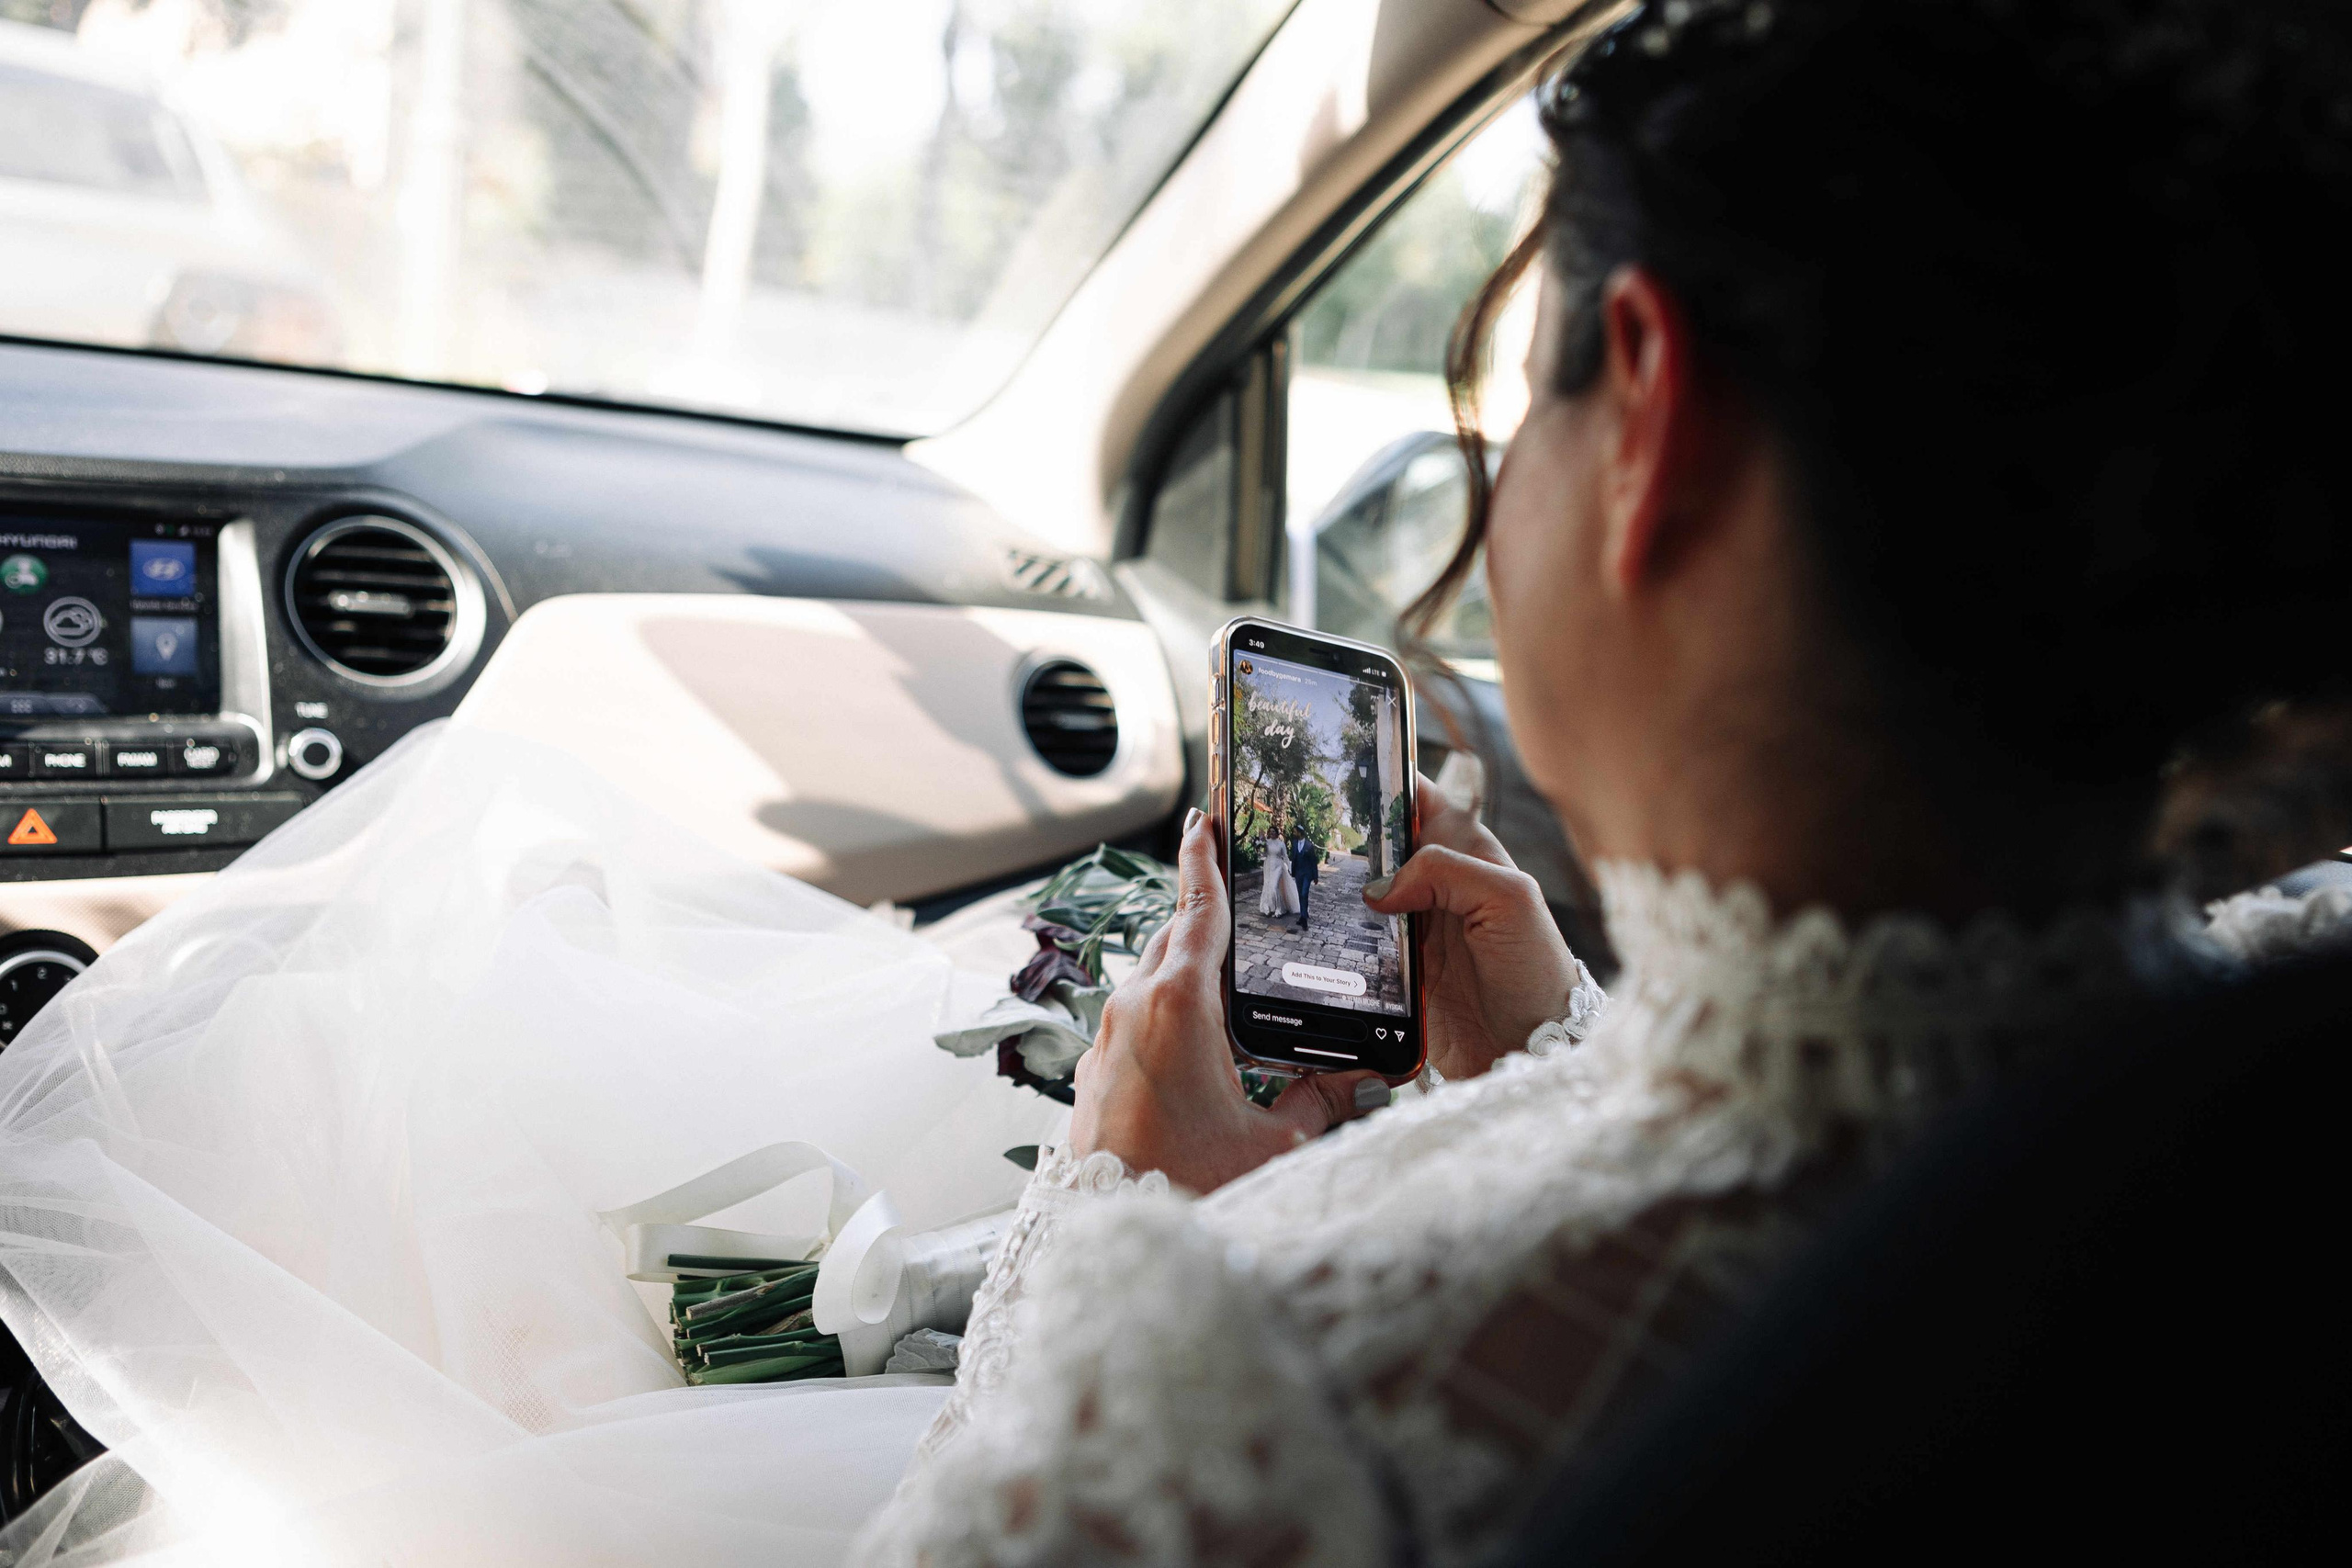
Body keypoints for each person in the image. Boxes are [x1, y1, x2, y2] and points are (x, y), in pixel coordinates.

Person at [4, 4, 2350, 1565]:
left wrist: (1111, 1212)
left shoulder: (1257, 1370)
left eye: (1507, 405)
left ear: (1647, 418)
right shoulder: (2272, 1042)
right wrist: (1561, 1067)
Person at [1257, 829, 1298, 919]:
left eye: (1273, 831)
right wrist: (1259, 848)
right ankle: (1268, 908)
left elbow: (1285, 856)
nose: (1272, 833)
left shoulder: (1281, 844)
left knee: (1274, 887)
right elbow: (1264, 855)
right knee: (1267, 886)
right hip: (1268, 865)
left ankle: (1279, 909)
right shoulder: (1266, 842)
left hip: (1278, 866)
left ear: (1277, 833)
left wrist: (1290, 869)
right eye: (1270, 831)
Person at [1287, 824, 1321, 930]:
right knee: (1300, 895)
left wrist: (1315, 876)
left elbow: (1313, 862)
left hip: (1307, 874)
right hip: (1298, 874)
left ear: (1300, 832)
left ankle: (1305, 918)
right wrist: (1293, 872)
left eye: (1295, 832)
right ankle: (1302, 916)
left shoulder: (1309, 846)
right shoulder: (1294, 843)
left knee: (1304, 893)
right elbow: (1294, 858)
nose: (1293, 834)